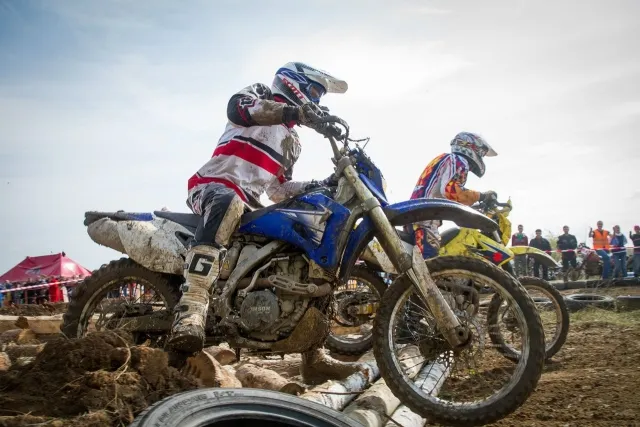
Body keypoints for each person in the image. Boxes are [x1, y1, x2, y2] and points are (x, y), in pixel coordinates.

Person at [407, 132, 498, 259]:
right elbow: (451, 192)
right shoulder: (459, 161)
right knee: (428, 263)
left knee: (418, 262)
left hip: (413, 216)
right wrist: (481, 196)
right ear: (471, 147)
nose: (481, 156)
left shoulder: (443, 158)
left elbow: (441, 192)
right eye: (481, 153)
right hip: (425, 220)